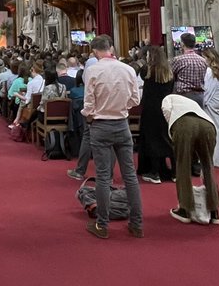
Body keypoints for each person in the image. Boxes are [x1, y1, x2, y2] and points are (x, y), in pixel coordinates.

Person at [82, 35, 143, 240]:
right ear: (111, 48)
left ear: (94, 52)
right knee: (130, 176)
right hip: (122, 124)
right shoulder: (128, 69)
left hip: (100, 125)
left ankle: (102, 224)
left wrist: (91, 116)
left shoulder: (93, 70)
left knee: (103, 176)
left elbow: (89, 102)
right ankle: (136, 224)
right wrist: (120, 108)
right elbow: (135, 99)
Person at [161, 94, 219, 225]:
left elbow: (168, 116)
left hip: (184, 125)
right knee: (208, 165)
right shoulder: (189, 101)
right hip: (208, 125)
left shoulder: (167, 99)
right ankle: (214, 211)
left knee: (183, 165)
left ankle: (184, 209)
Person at [137, 45, 175, 184]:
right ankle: (175, 172)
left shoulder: (147, 70)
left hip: (150, 109)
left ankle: (154, 172)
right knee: (167, 139)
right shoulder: (169, 71)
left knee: (152, 140)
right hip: (166, 108)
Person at [171, 32, 206, 104]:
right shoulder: (203, 60)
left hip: (184, 97)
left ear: (182, 44)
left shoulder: (178, 60)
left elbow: (170, 77)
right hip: (200, 96)